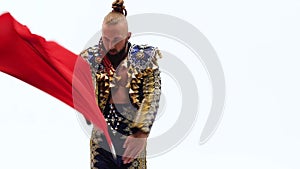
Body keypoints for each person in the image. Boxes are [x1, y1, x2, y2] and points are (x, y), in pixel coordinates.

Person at [79, 0, 162, 168]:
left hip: (131, 136)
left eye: (116, 39)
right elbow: (78, 84)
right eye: (106, 38)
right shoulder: (91, 58)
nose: (110, 45)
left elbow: (152, 95)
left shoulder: (144, 59)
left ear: (128, 36)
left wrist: (141, 132)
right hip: (101, 136)